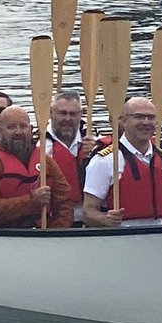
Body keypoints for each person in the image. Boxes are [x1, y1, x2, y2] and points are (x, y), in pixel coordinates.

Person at [82, 96, 162, 228]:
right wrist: (106, 220)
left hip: (159, 235)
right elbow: (88, 211)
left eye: (151, 117)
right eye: (139, 117)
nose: (146, 122)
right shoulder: (105, 161)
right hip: (121, 235)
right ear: (124, 121)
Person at [0, 106, 71, 229]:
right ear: (0, 131)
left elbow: (64, 200)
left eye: (23, 126)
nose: (18, 132)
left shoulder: (45, 160)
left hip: (42, 234)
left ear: (31, 129)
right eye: (11, 127)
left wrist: (57, 231)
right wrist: (31, 201)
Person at [44, 90, 100, 224]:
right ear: (51, 113)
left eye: (73, 114)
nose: (68, 119)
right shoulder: (38, 147)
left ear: (81, 115)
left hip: (90, 218)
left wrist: (96, 155)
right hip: (54, 218)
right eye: (62, 113)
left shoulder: (97, 143)